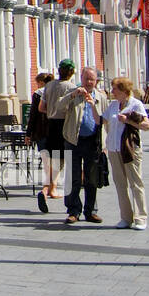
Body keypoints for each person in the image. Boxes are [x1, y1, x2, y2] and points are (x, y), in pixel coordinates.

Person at [54, 65, 107, 224]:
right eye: (86, 79)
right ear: (81, 79)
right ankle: (73, 211)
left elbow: (105, 121)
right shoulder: (73, 94)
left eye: (92, 79)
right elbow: (58, 107)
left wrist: (105, 143)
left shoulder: (101, 97)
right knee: (73, 177)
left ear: (96, 80)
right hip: (73, 140)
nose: (89, 82)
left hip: (93, 142)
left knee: (92, 178)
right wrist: (72, 95)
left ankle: (90, 211)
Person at [102, 77, 149, 230]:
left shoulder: (136, 104)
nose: (112, 91)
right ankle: (125, 217)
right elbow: (102, 121)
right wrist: (91, 104)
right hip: (114, 149)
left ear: (123, 90)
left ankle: (141, 218)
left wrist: (128, 121)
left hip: (130, 149)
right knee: (120, 184)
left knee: (136, 183)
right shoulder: (113, 105)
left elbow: (146, 126)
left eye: (115, 89)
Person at [36, 59, 76, 212]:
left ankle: (48, 190)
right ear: (71, 72)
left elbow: (42, 107)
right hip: (65, 126)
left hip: (50, 125)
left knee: (54, 161)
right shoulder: (72, 87)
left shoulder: (49, 85)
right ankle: (48, 190)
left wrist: (52, 111)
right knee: (65, 162)